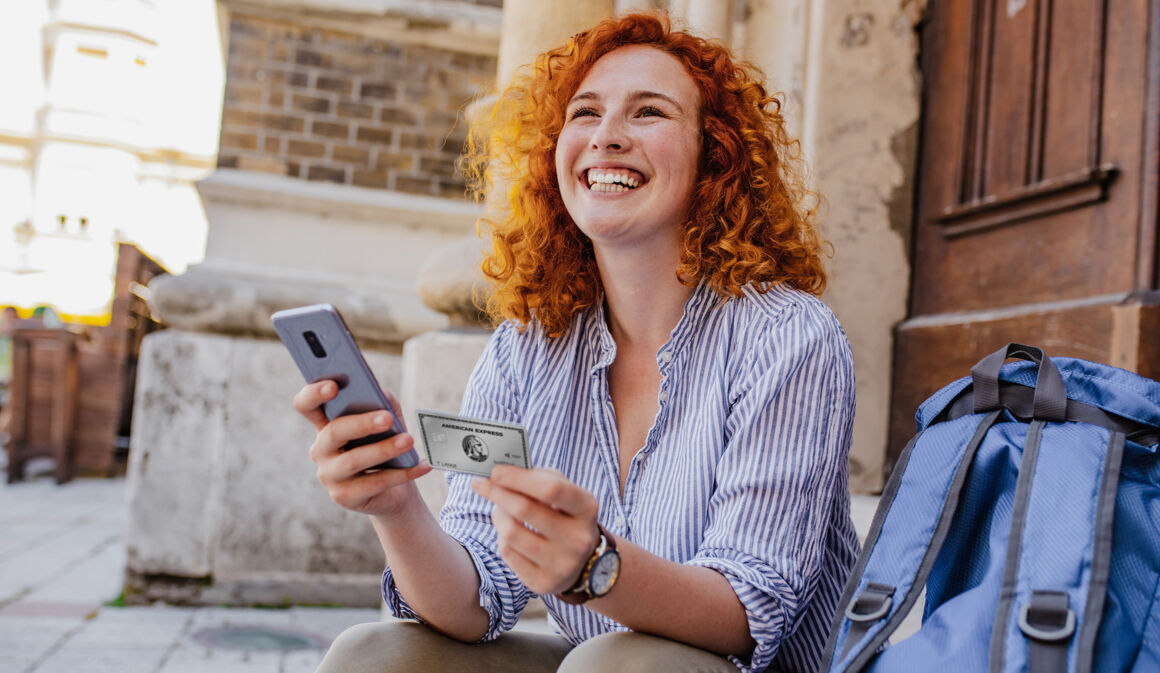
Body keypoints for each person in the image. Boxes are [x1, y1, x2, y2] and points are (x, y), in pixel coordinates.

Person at [297, 13, 858, 673]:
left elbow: (747, 613)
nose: (607, 137)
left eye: (648, 113)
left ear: (716, 157)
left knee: (611, 665)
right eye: (585, 114)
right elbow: (473, 599)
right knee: (372, 654)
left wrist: (598, 567)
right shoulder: (525, 348)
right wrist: (395, 505)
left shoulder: (787, 338)